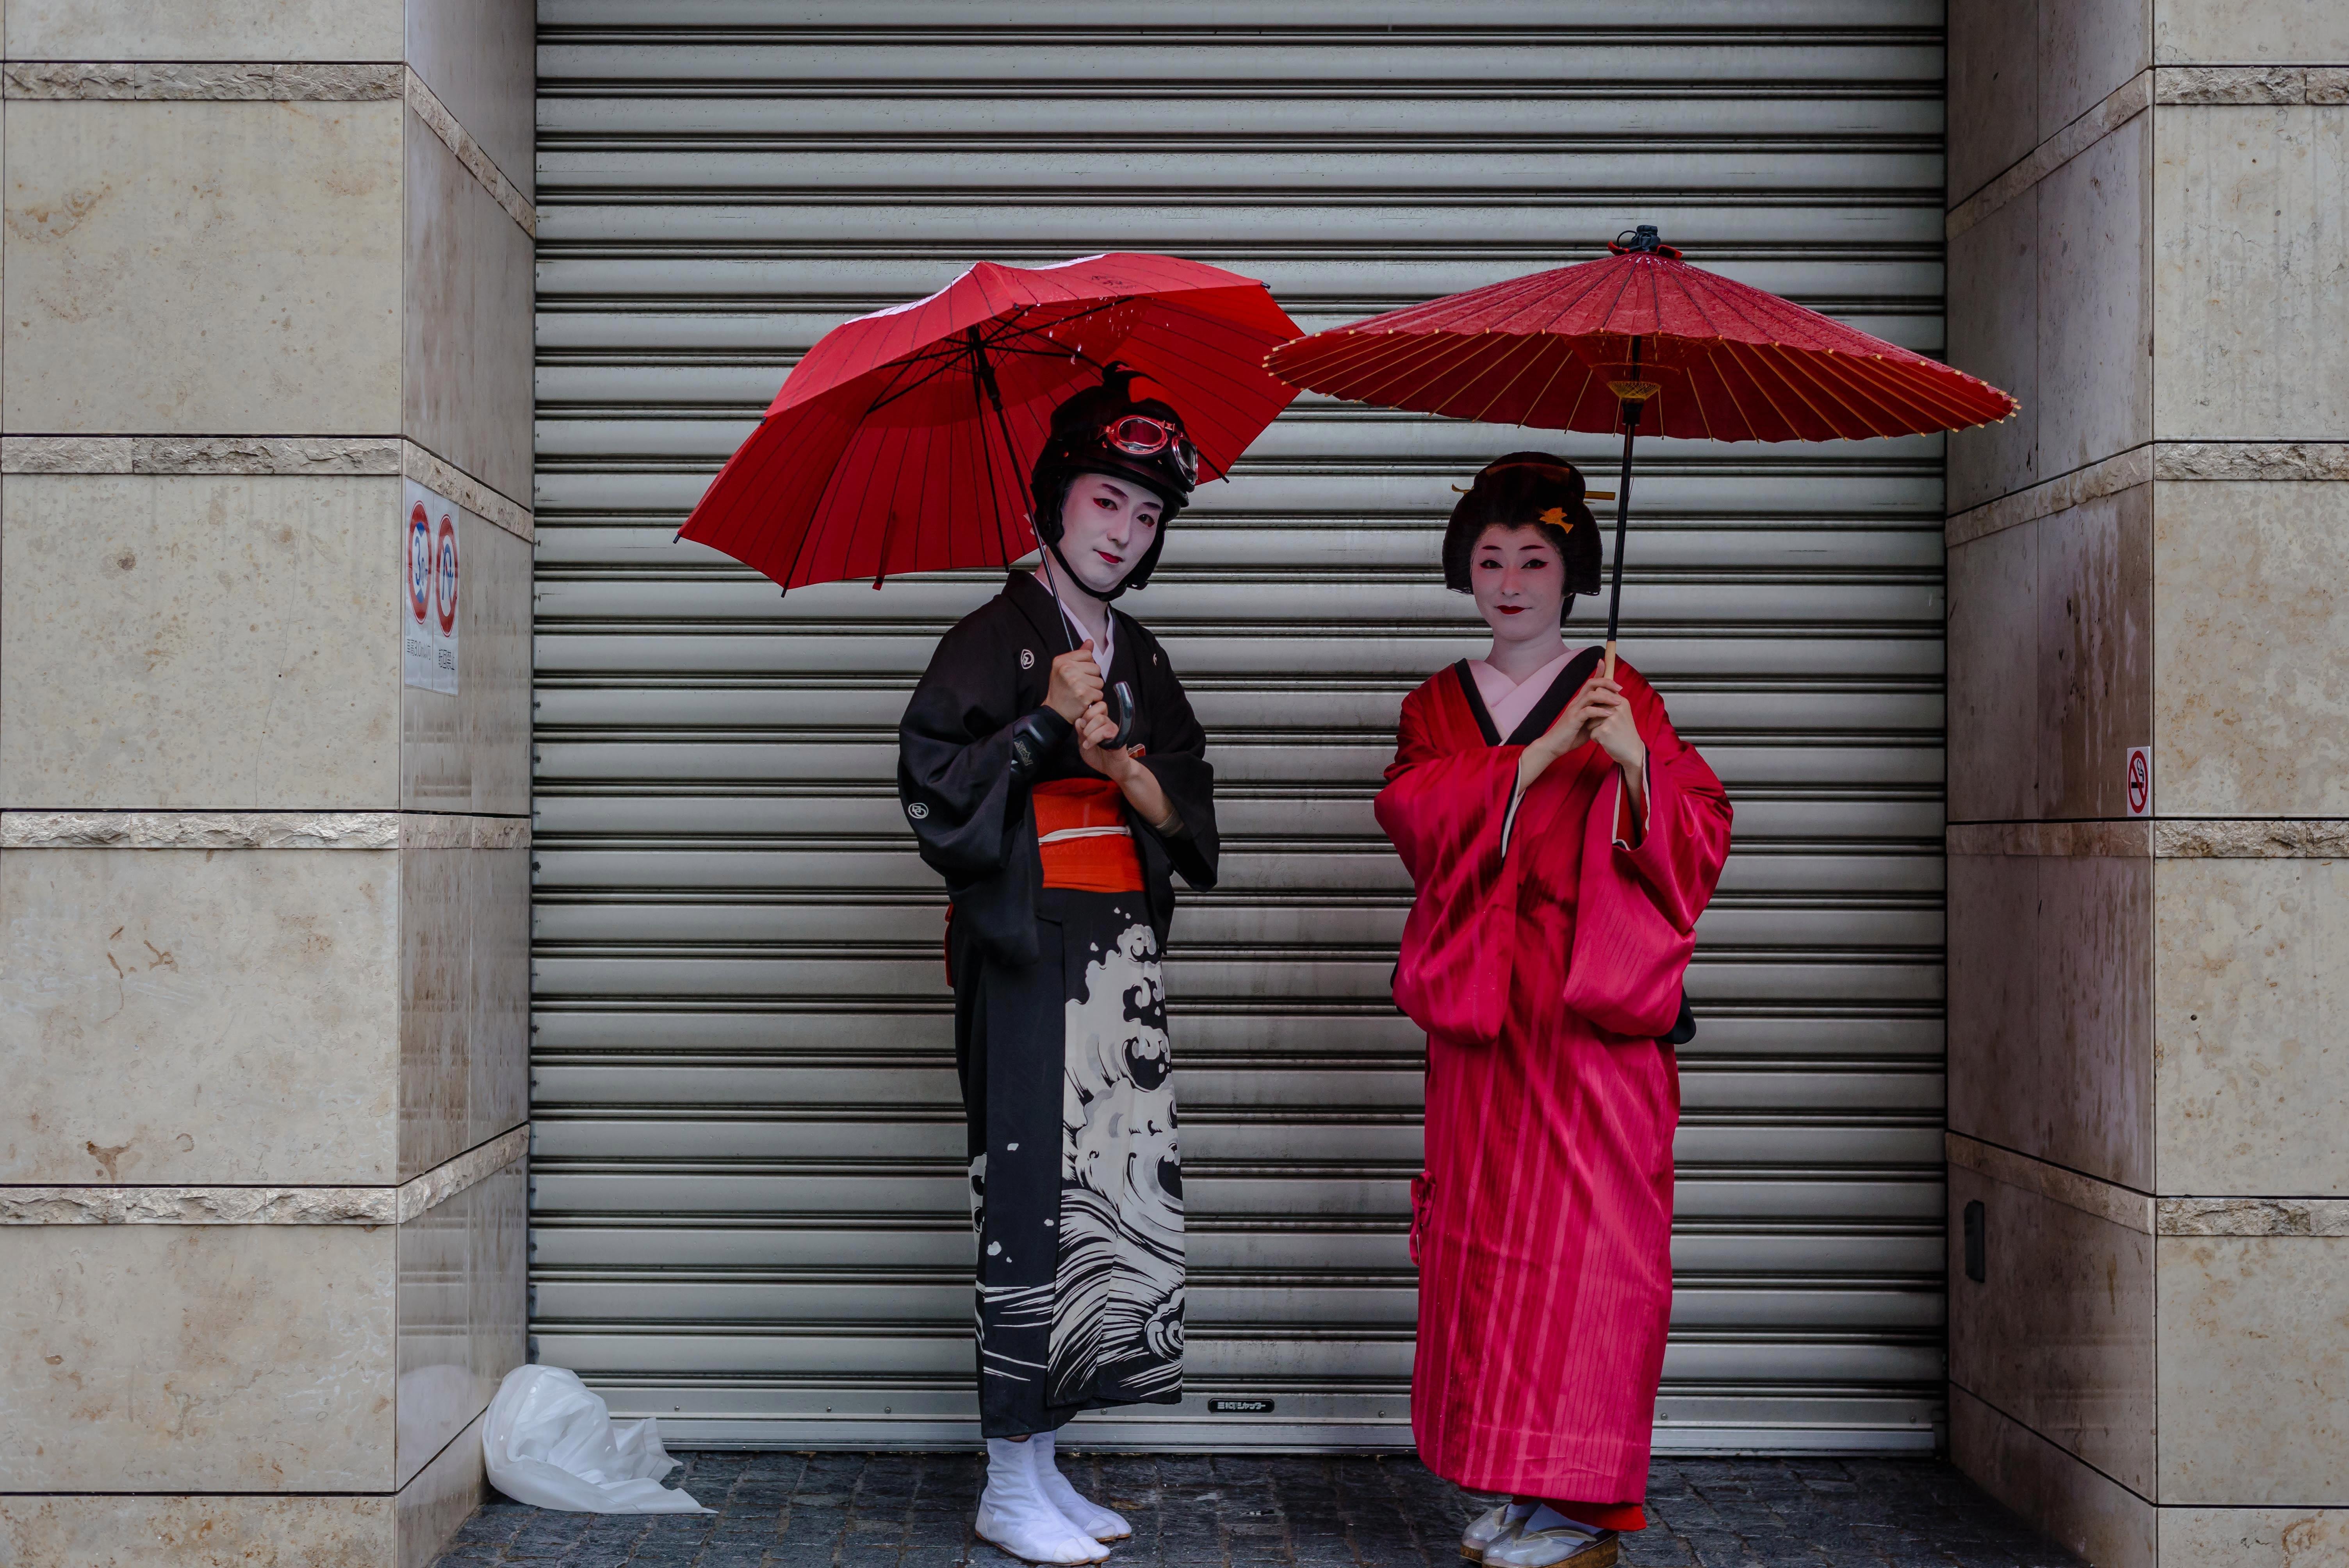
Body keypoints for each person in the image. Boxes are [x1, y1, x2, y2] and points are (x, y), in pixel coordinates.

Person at [1375, 454, 1732, 1568]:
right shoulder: (1437, 705)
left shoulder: (1624, 692)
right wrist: (1535, 758)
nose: (1512, 581)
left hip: (1589, 1014)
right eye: (1490, 560)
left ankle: (1585, 1506)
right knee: (1486, 1245)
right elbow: (1412, 813)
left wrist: (1634, 766)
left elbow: (1701, 830)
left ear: (1574, 573)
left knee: (1595, 1251)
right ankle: (1527, 1487)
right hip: (1485, 1010)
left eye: (1535, 559)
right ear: (1464, 571)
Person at [898, 367, 1219, 1566]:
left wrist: (1124, 766)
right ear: (1053, 499)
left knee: (1108, 1205)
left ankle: (1042, 1461)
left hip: (1117, 950)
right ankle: (1003, 1478)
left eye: (1147, 514)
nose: (1124, 532)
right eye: (1104, 500)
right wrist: (1040, 723)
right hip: (1029, 952)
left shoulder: (1141, 655)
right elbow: (934, 789)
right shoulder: (988, 641)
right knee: (1032, 1198)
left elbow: (1190, 816)